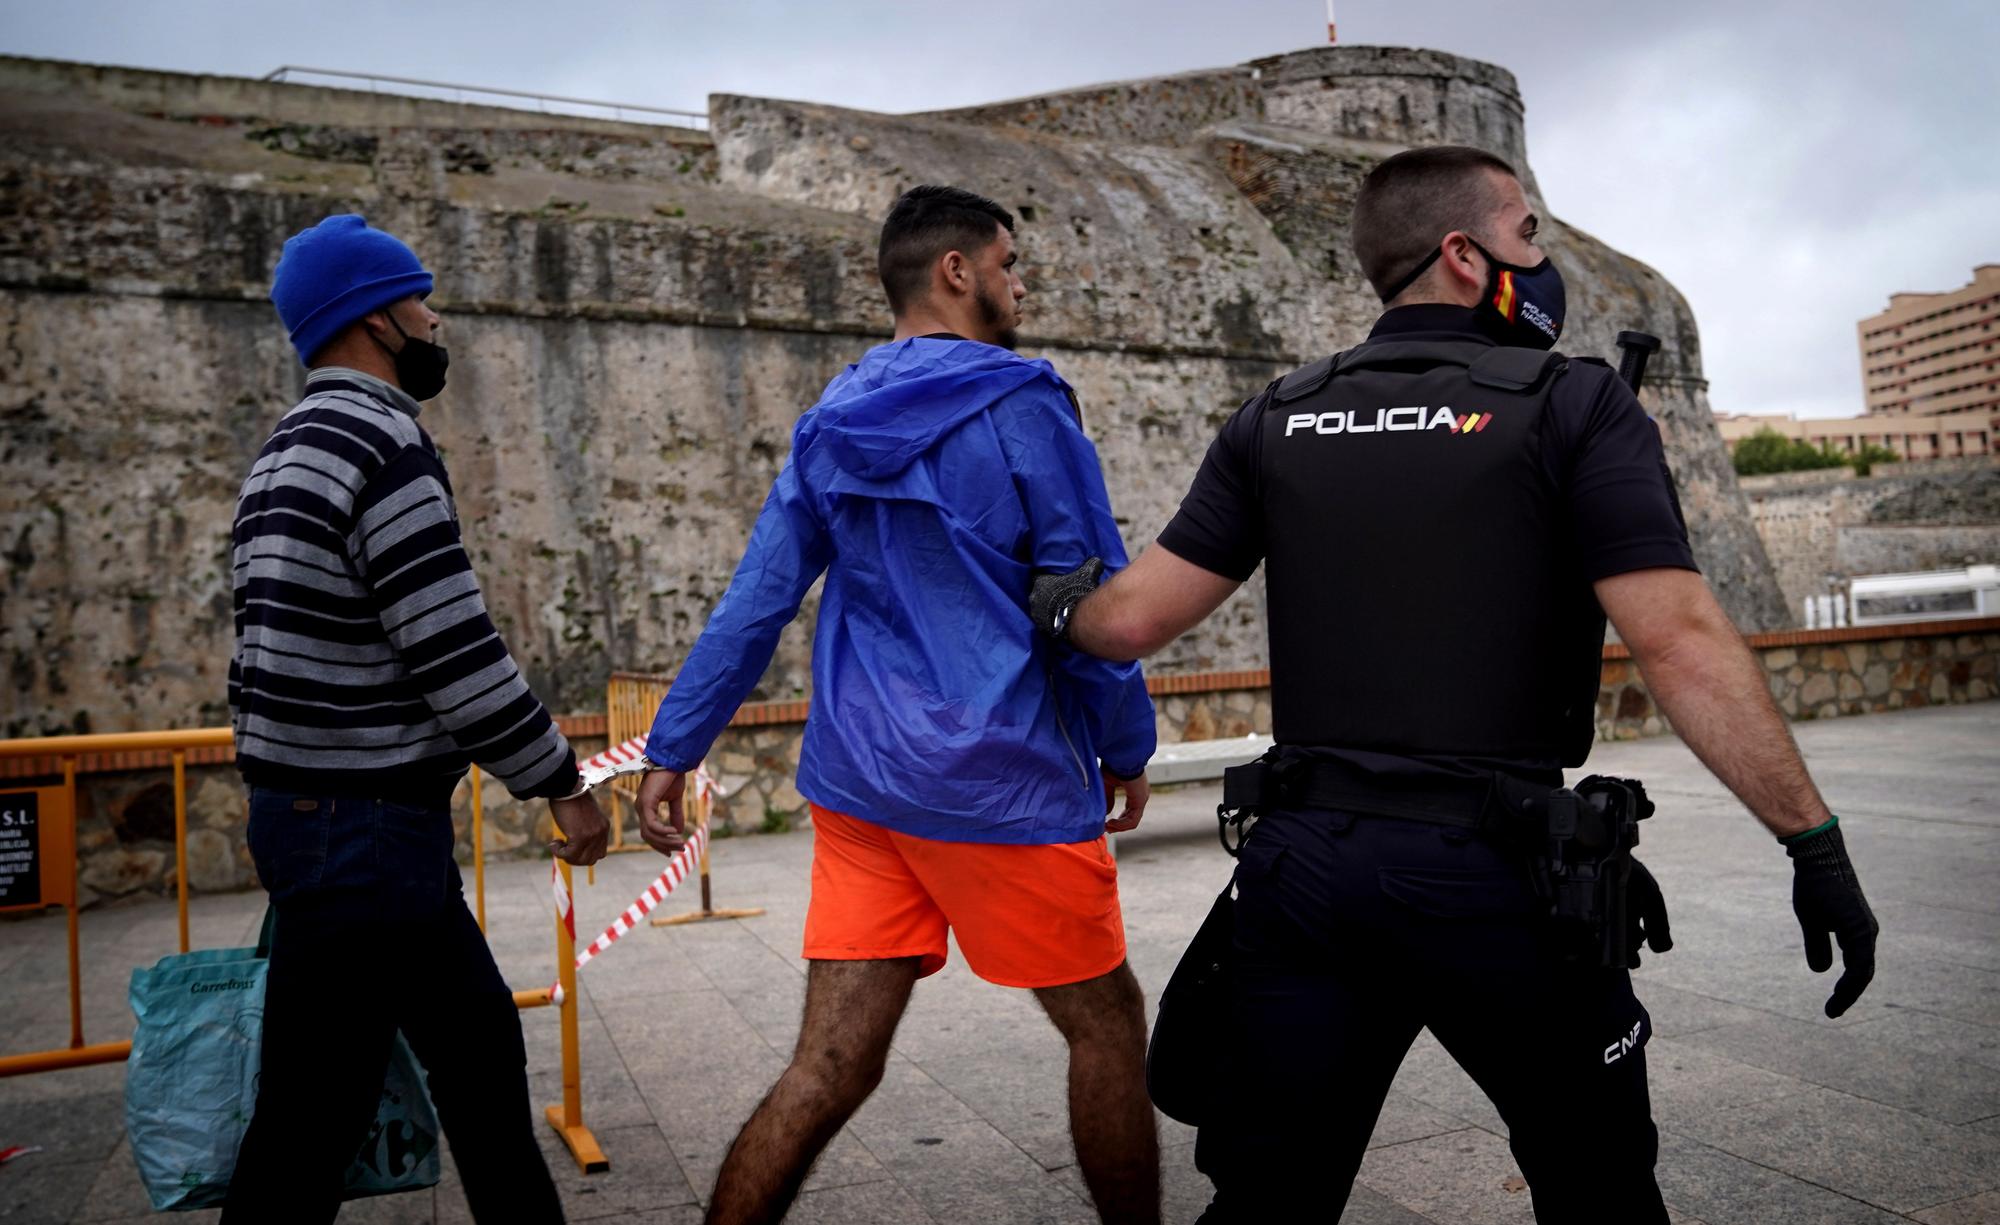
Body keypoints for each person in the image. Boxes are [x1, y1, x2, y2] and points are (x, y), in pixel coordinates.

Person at [1030, 147, 1880, 1223]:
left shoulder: (1278, 414)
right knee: (1600, 1190)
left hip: (1304, 876)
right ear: (1464, 254)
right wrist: (1811, 840)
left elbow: (1129, 620)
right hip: (1503, 880)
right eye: (1527, 235)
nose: (1542, 259)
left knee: (1266, 1200)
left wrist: (1055, 598)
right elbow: (1677, 641)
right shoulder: (1574, 405)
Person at [633, 185, 1161, 1225]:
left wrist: (674, 744)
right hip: (1000, 783)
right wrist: (1124, 742)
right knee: (1106, 1028)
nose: (1020, 283)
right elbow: (1085, 593)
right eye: (1008, 262)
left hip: (862, 787)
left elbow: (756, 602)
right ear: (955, 272)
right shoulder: (1022, 402)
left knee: (829, 1064)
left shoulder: (832, 419)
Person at [225, 214, 608, 1223]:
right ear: (374, 318)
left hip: (323, 821)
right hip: (367, 833)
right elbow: (454, 651)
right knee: (310, 1122)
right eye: (420, 299)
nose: (435, 317)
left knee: (478, 1050)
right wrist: (562, 783)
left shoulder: (281, 454)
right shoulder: (382, 441)